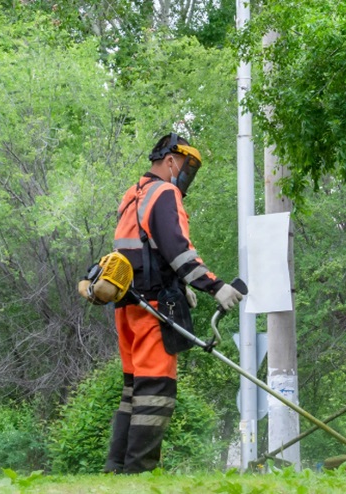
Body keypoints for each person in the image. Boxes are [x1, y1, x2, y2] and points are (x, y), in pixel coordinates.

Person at [104, 133, 243, 474]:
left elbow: (145, 248)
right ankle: (139, 472)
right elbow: (178, 249)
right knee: (155, 391)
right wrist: (214, 286)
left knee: (133, 390)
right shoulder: (164, 193)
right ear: (169, 161)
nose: (184, 177)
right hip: (152, 308)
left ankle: (116, 468)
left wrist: (180, 282)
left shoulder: (133, 193)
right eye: (184, 167)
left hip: (126, 305)